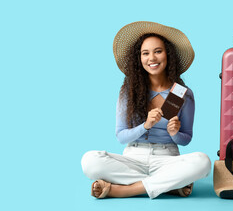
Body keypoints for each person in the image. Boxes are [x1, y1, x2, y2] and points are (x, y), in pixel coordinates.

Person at [81, 21, 211, 199]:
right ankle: (169, 185)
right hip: (133, 158)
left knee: (203, 162)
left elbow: (186, 138)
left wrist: (174, 133)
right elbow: (120, 136)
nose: (152, 58)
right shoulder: (129, 91)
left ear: (168, 55)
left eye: (158, 51)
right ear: (139, 58)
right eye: (145, 53)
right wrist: (146, 125)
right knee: (90, 161)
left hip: (167, 158)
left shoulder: (182, 93)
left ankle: (125, 190)